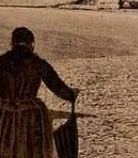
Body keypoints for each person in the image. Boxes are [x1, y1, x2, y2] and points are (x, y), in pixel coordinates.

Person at [0, 27, 79, 158]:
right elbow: (57, 87)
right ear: (31, 44)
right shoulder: (38, 64)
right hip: (31, 117)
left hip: (4, 116)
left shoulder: (1, 62)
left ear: (12, 43)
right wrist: (72, 94)